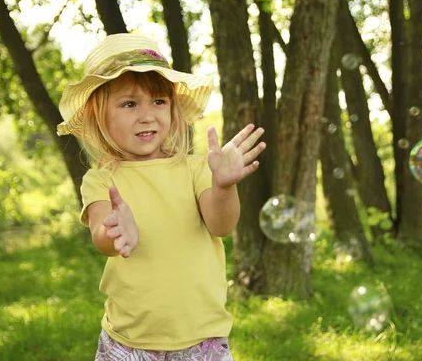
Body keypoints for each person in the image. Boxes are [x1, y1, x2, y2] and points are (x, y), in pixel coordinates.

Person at [57, 33, 266, 361]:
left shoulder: (195, 169)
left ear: (172, 108)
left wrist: (224, 186)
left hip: (201, 339)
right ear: (100, 115)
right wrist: (116, 231)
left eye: (159, 101)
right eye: (129, 104)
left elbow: (221, 224)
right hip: (128, 340)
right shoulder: (101, 179)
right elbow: (101, 235)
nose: (147, 115)